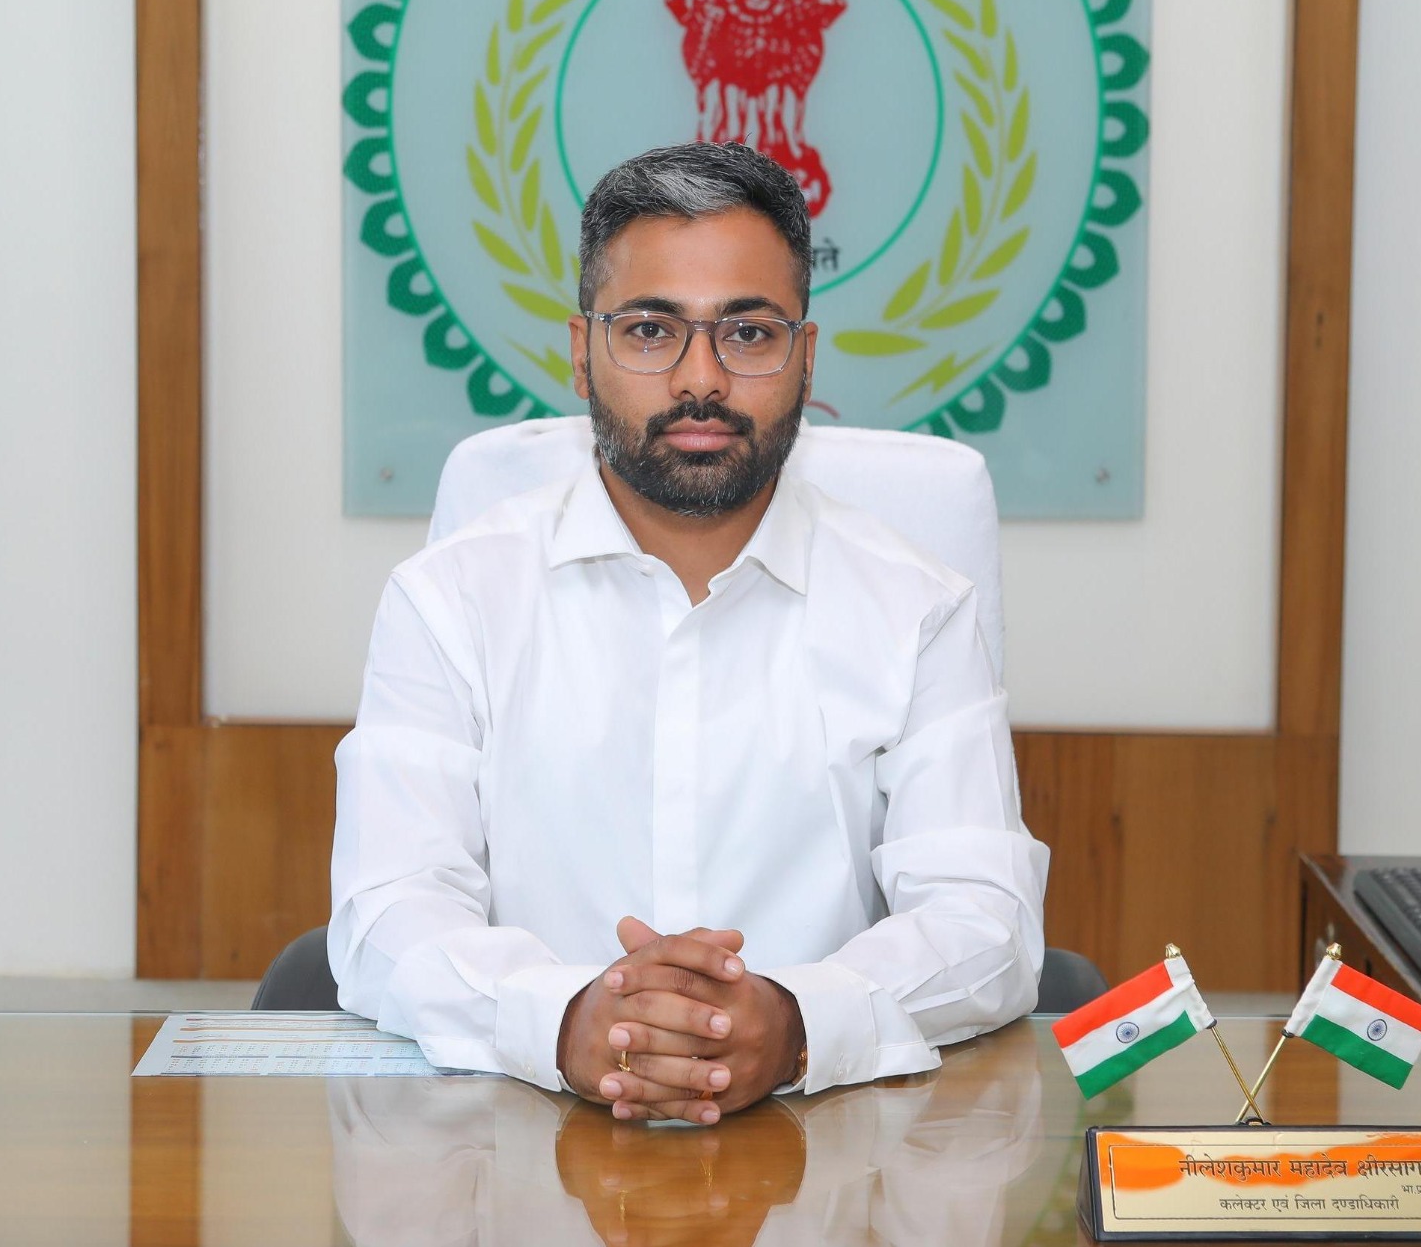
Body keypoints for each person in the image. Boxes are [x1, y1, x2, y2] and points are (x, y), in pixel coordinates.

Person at [329, 141, 1048, 1125]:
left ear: (806, 354)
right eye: (650, 329)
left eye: (748, 332)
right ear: (581, 348)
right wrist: (565, 1018)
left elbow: (985, 921)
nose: (700, 378)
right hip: (515, 1150)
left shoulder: (917, 606)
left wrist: (795, 1021)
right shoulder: (451, 598)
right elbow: (385, 909)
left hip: (829, 1153)